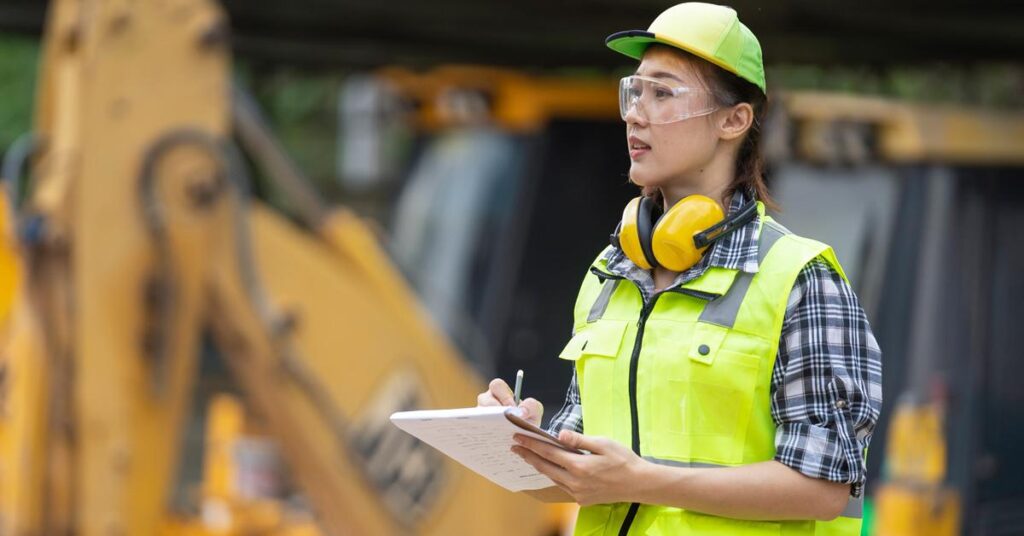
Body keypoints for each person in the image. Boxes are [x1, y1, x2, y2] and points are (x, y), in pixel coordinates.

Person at [477, 2, 882, 534]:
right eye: (635, 91)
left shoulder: (800, 278)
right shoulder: (610, 273)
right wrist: (520, 441)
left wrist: (642, 481)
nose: (635, 113)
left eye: (663, 93)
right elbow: (585, 478)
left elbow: (825, 487)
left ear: (734, 120)